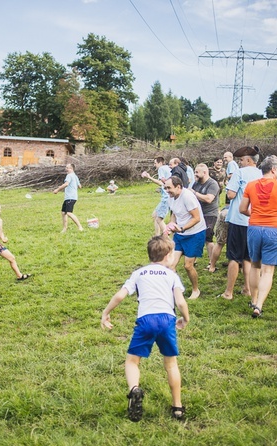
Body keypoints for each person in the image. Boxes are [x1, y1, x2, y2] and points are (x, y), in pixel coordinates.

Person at [100, 235, 190, 422]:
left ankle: (134, 389)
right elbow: (180, 302)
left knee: (132, 361)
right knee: (171, 364)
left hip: (145, 320)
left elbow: (120, 295)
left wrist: (106, 312)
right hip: (167, 320)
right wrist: (185, 319)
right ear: (167, 256)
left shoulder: (139, 273)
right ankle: (178, 407)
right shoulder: (172, 275)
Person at [240, 156, 277, 317]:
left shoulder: (250, 185)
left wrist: (255, 214)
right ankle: (259, 305)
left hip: (254, 227)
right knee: (268, 270)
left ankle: (253, 299)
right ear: (273, 169)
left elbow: (242, 209)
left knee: (255, 265)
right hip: (274, 228)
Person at [219, 146, 262, 301]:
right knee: (248, 257)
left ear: (249, 159)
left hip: (238, 219)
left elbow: (230, 194)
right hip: (254, 220)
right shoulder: (262, 174)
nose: (240, 162)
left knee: (233, 257)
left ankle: (228, 292)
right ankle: (247, 289)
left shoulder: (240, 173)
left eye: (242, 159)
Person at [164, 176, 206, 299]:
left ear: (178, 187)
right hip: (180, 234)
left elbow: (196, 218)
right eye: (165, 188)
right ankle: (177, 290)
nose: (167, 190)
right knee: (171, 265)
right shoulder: (171, 197)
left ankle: (195, 290)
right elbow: (174, 214)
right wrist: (171, 226)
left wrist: (182, 229)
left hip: (195, 233)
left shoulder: (187, 197)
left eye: (169, 188)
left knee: (188, 266)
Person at [191, 163, 220, 260]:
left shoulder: (212, 184)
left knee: (208, 237)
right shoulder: (196, 183)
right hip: (199, 213)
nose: (195, 174)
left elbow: (208, 199)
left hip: (210, 213)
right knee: (196, 236)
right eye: (195, 172)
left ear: (205, 172)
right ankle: (192, 260)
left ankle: (211, 262)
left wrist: (195, 193)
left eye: (197, 172)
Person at [143, 157, 171, 236]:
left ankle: (166, 234)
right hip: (168, 196)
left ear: (160, 163)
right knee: (155, 215)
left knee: (159, 218)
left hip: (166, 198)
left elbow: (161, 182)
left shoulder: (161, 169)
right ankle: (157, 235)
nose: (154, 165)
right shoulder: (168, 168)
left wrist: (149, 177)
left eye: (155, 163)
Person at [53, 163, 83, 233]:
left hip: (70, 197)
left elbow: (66, 184)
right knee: (63, 212)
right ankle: (64, 229)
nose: (66, 169)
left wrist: (57, 189)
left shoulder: (69, 175)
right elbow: (80, 186)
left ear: (71, 169)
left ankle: (80, 227)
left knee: (69, 213)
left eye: (67, 168)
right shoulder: (75, 176)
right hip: (70, 197)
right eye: (66, 167)